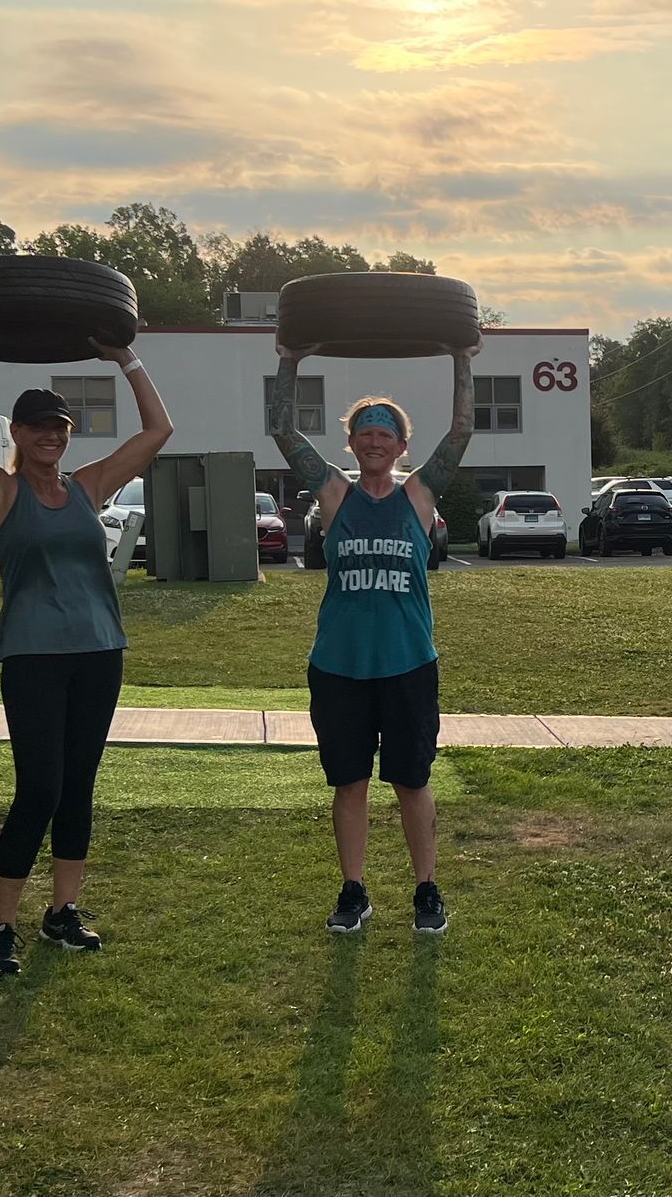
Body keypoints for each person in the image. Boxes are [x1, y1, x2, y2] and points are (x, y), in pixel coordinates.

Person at [0, 311, 172, 976]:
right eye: (37, 425)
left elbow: (158, 430)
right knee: (39, 785)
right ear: (16, 433)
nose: (50, 435)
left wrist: (125, 357)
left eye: (58, 426)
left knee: (78, 786)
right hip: (33, 655)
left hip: (98, 652)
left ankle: (62, 913)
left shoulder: (89, 487)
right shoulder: (2, 493)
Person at [268, 340, 475, 935]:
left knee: (412, 780)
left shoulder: (419, 495)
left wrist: (462, 358)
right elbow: (282, 430)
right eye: (365, 432)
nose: (375, 441)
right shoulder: (335, 495)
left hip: (408, 664)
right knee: (349, 782)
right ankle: (354, 890)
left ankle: (426, 890)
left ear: (401, 444)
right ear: (353, 443)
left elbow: (461, 431)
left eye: (386, 433)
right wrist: (291, 359)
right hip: (339, 666)